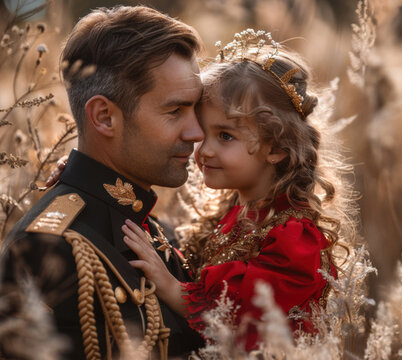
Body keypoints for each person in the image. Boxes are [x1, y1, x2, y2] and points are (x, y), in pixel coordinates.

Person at [0, 6, 205, 359]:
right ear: (105, 117)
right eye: (175, 111)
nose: (196, 132)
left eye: (196, 110)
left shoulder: (154, 228)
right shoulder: (48, 250)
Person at [120, 30, 342, 351]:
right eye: (203, 132)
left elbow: (240, 319)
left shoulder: (294, 237)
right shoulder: (233, 211)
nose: (203, 150)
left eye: (225, 136)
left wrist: (171, 288)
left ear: (276, 147)